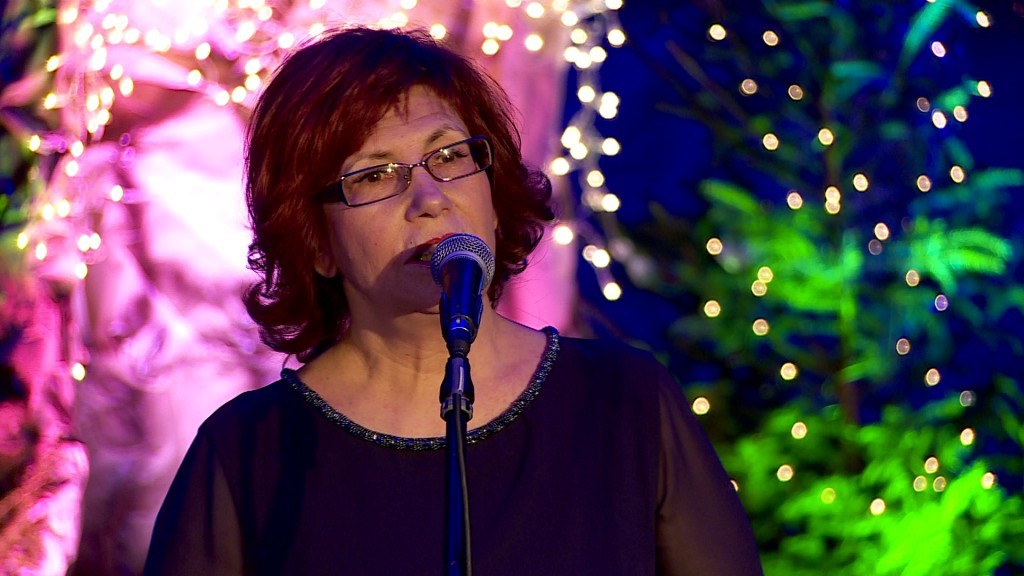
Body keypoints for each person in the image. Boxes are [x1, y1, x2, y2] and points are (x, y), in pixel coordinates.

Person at [143, 25, 762, 575]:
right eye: (374, 175)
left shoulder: (626, 401)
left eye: (449, 155)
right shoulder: (248, 452)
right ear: (316, 242)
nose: (430, 198)